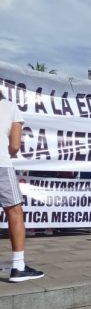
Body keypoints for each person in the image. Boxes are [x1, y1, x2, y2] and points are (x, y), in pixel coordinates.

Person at [0, 99, 44, 282]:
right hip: (1, 164)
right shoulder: (9, 107)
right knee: (15, 211)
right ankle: (18, 266)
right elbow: (15, 145)